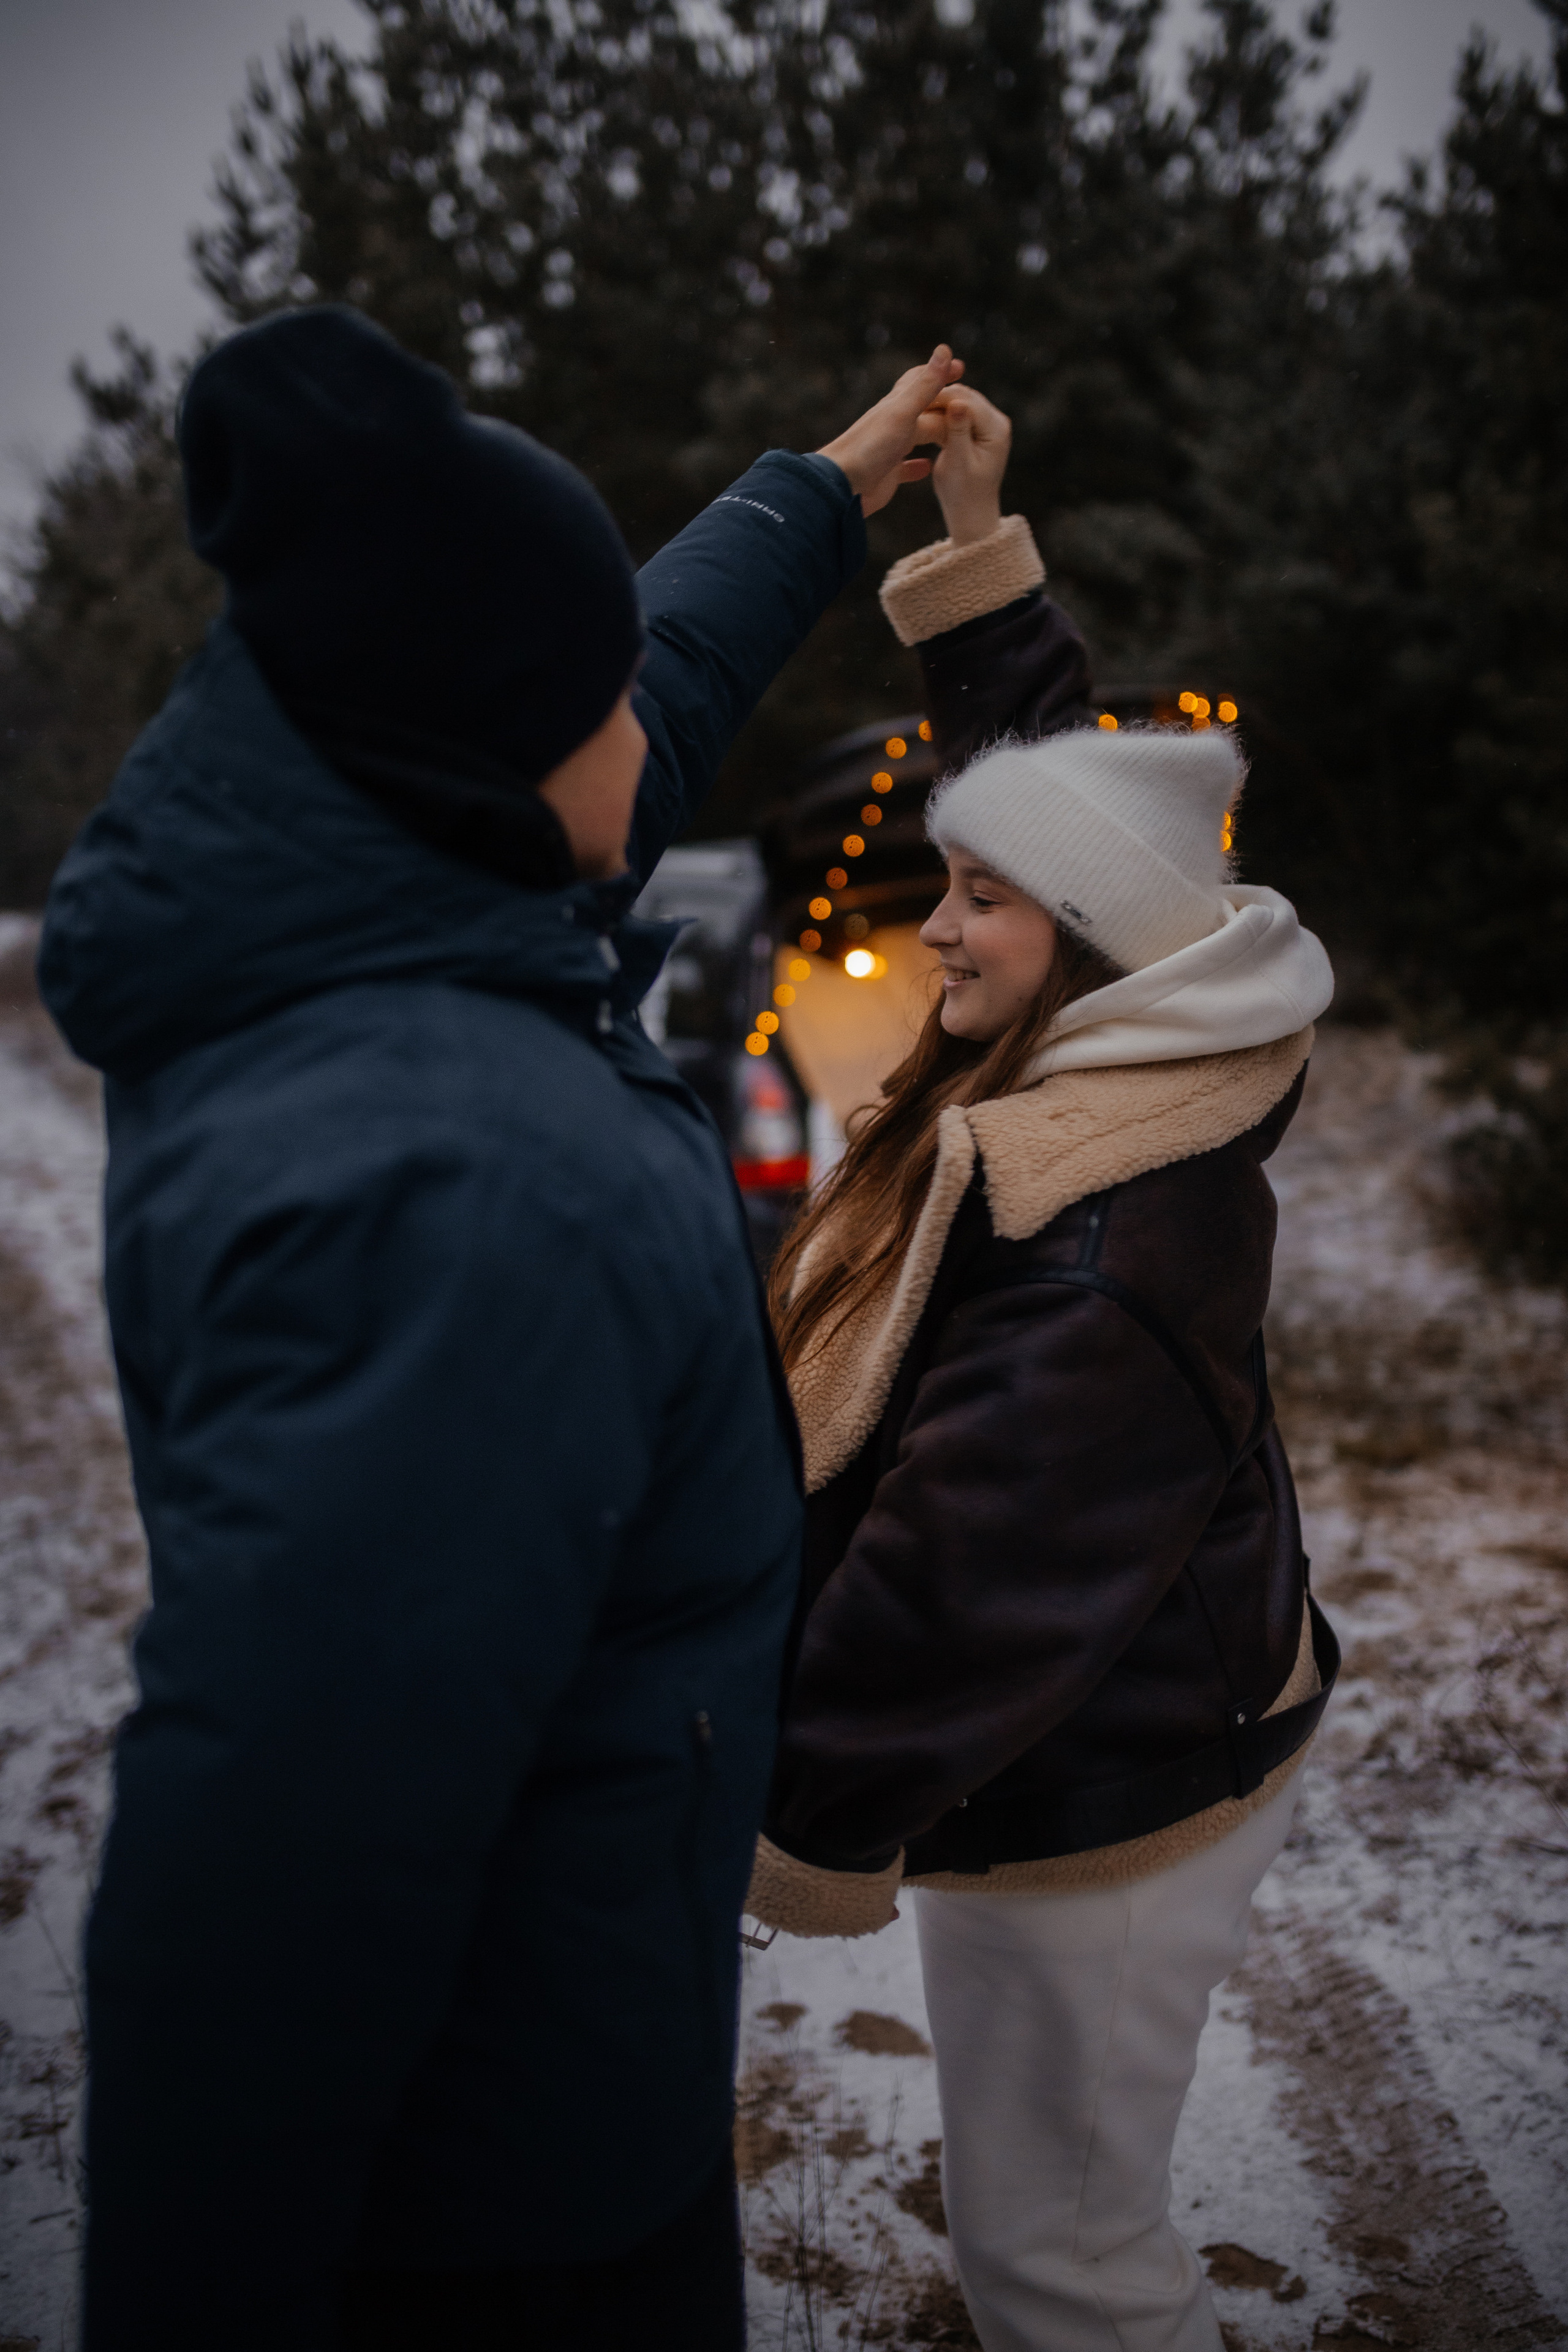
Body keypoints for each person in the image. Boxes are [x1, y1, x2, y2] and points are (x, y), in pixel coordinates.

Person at [37, 304, 962, 2352]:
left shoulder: (341, 825)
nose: (651, 730)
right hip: (501, 2217)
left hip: (531, 2094)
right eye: (595, 701)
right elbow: (269, 1915)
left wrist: (820, 492)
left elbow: (637, 666)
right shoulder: (462, 1196)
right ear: (496, 743)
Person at [745, 385, 1340, 2352]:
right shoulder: (1132, 1028)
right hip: (1088, 1716)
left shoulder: (1108, 1246)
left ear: (1087, 947)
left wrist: (769, 1813)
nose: (939, 933)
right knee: (1049, 2245)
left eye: (979, 902)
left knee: (1063, 2264)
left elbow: (955, 1599)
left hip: (1106, 1791)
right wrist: (984, 568)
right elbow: (1065, 824)